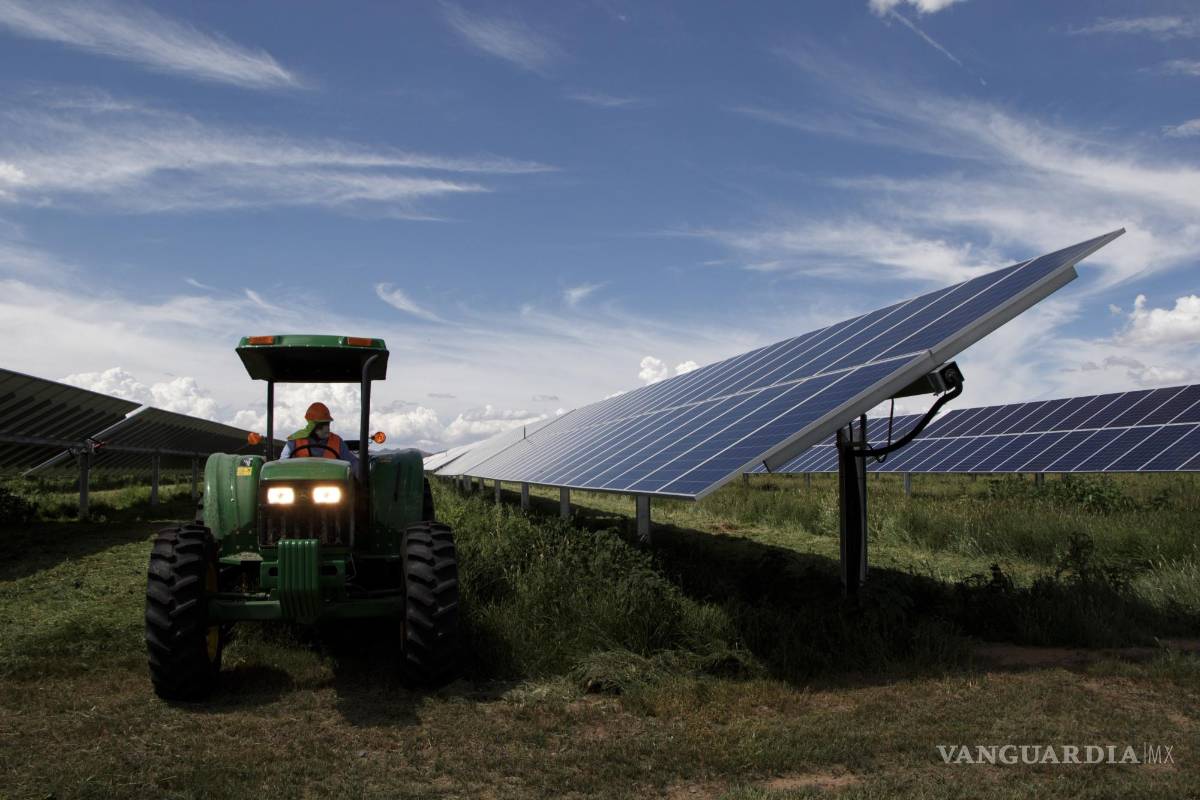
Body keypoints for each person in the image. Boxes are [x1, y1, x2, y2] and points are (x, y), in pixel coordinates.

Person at [280, 402, 358, 469]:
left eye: (328, 423)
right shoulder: (294, 441)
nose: (326, 428)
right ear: (312, 426)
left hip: (330, 484)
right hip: (300, 484)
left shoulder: (337, 441)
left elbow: (353, 464)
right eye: (322, 425)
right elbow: (282, 464)